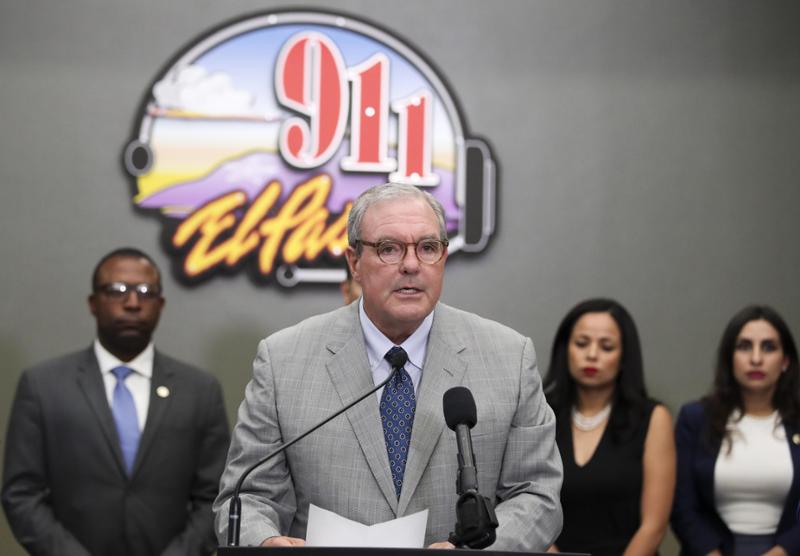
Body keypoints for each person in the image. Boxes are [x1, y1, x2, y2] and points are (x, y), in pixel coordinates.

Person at [213, 183, 563, 550]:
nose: (411, 265)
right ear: (354, 263)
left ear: (443, 257)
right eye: (389, 248)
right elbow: (247, 497)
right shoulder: (283, 360)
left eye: (427, 248)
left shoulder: (509, 357)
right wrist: (265, 542)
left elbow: (537, 494)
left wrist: (477, 553)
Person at [2, 247, 230, 556]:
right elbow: (21, 494)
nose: (132, 302)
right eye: (116, 290)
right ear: (93, 303)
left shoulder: (200, 390)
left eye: (146, 291)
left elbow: (216, 496)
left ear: (161, 304)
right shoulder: (43, 386)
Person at [543, 298, 675, 555]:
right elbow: (524, 505)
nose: (592, 354)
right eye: (582, 343)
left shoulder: (653, 418)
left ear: (624, 355)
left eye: (606, 347)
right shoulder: (540, 414)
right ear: (565, 349)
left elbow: (654, 526)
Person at [671, 305, 800, 556]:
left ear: (785, 361)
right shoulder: (695, 419)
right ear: (729, 358)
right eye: (744, 346)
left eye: (768, 347)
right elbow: (682, 505)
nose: (756, 359)